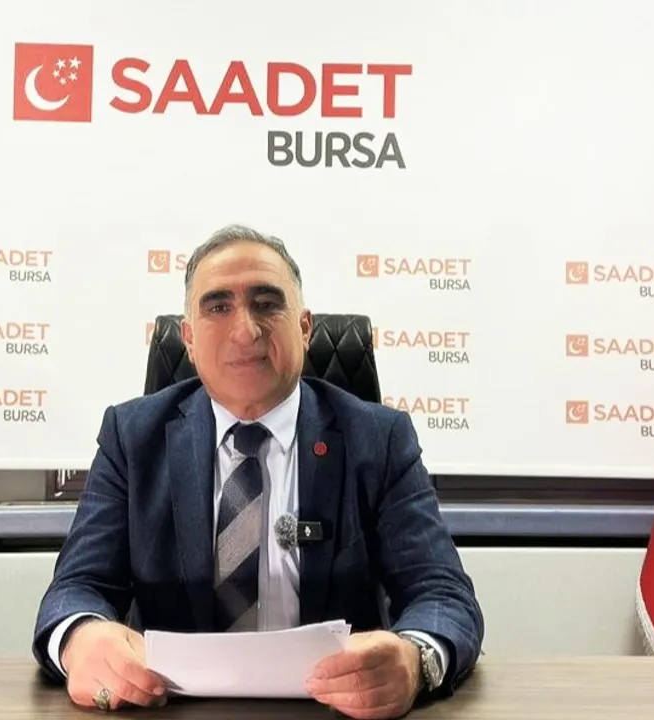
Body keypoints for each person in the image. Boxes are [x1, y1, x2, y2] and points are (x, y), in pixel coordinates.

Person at [31, 224, 484, 718]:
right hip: (171, 708)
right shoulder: (132, 437)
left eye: (267, 304)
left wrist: (417, 659)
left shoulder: (379, 438)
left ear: (305, 329)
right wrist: (80, 638)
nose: (246, 330)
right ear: (188, 339)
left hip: (335, 711)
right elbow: (76, 588)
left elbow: (442, 594)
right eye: (217, 307)